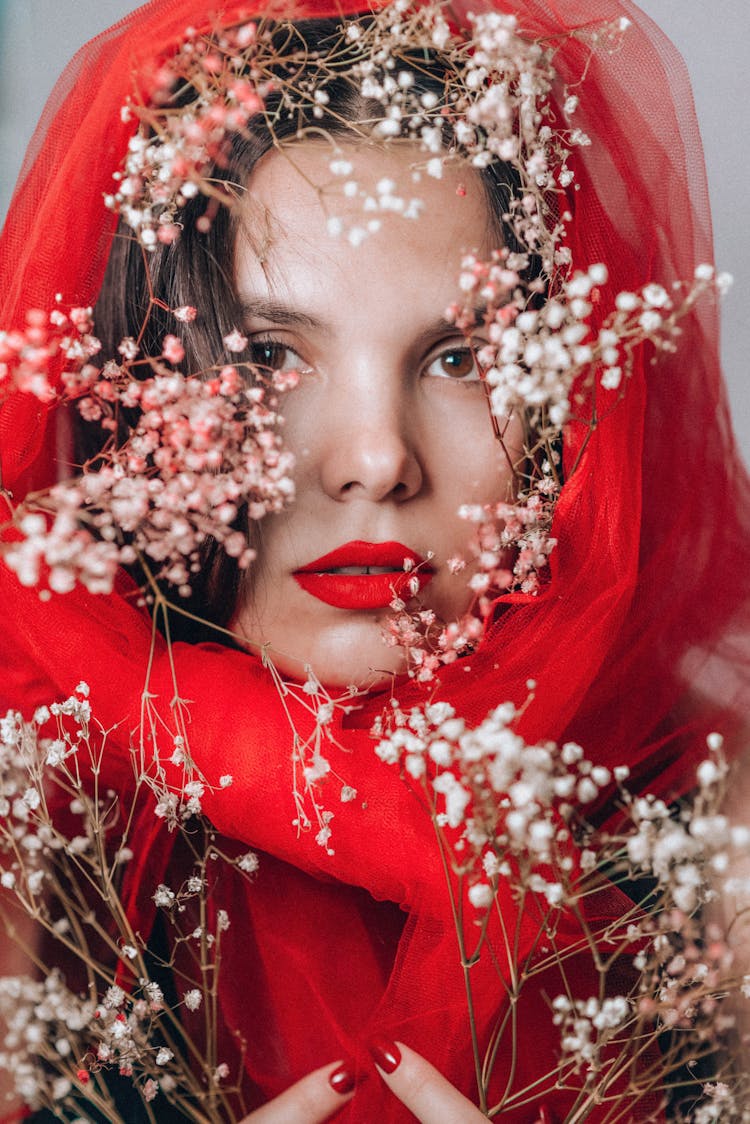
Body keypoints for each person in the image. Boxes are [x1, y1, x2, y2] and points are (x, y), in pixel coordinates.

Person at [0, 1, 748, 1121]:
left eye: (457, 355)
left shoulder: (713, 845)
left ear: (570, 403)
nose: (374, 460)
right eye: (266, 354)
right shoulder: (35, 836)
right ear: (131, 385)